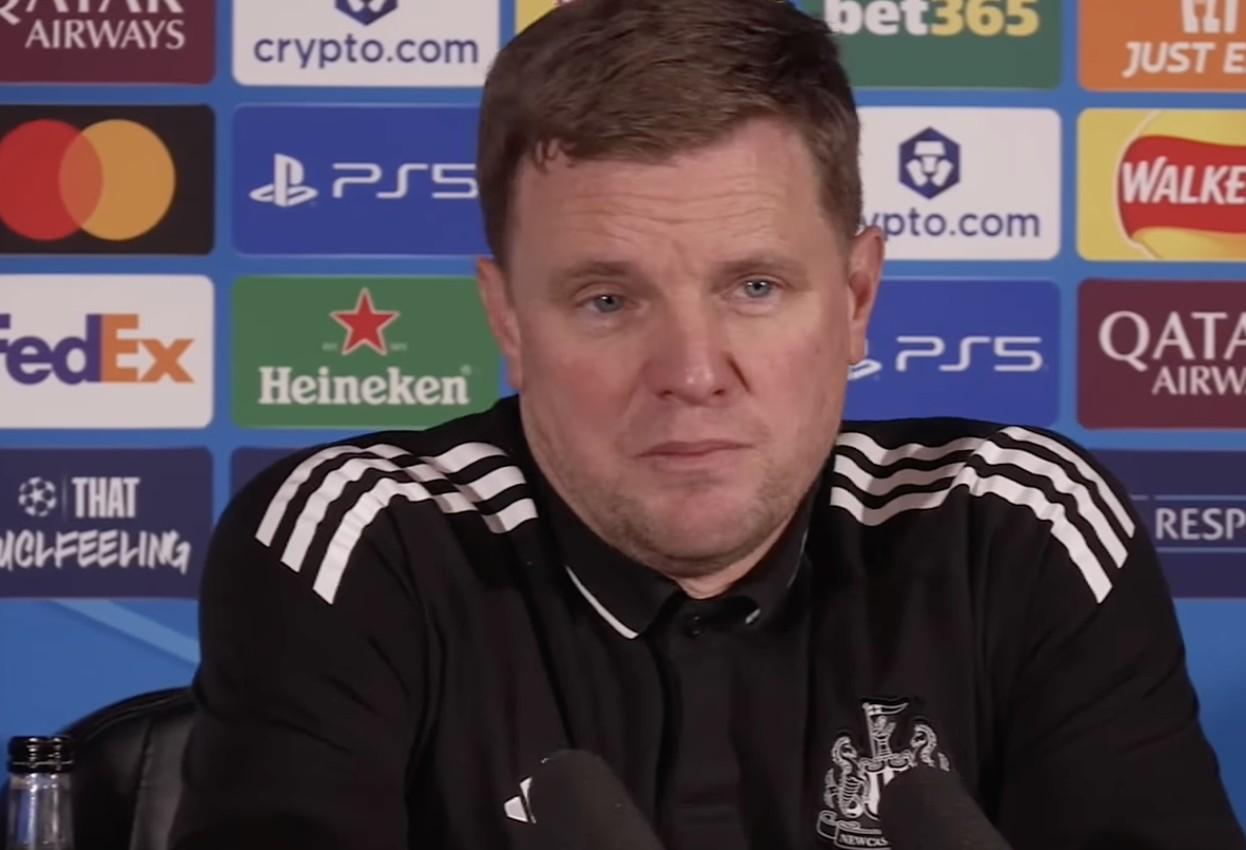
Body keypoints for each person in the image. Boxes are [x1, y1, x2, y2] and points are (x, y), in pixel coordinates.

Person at [170, 1, 1246, 848]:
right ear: (507, 319)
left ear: (857, 298)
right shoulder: (361, 545)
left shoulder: (1013, 526)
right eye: (607, 300)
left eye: (756, 287)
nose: (691, 374)